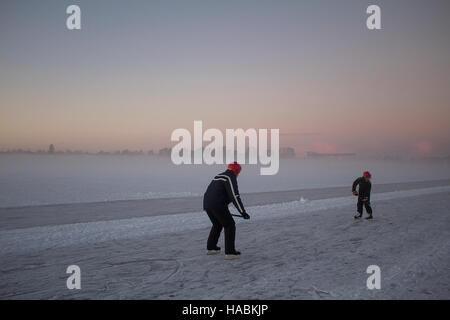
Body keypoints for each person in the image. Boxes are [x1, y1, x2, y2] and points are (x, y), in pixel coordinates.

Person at [203, 161, 250, 259]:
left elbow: (210, 191)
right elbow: (234, 196)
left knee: (217, 224)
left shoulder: (218, 176)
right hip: (218, 205)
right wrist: (242, 212)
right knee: (230, 225)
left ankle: (211, 248)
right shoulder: (230, 177)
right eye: (238, 173)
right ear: (236, 171)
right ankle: (230, 252)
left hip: (207, 204)